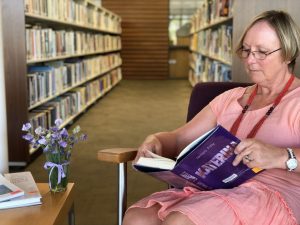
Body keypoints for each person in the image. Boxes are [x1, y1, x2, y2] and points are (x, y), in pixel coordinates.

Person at [123, 10, 300, 225]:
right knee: (137, 218)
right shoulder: (229, 99)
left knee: (181, 221)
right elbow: (179, 139)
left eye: (262, 52)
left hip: (274, 194)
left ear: (289, 53)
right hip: (217, 189)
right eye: (246, 50)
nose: (250, 60)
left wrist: (282, 156)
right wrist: (157, 140)